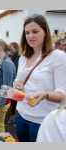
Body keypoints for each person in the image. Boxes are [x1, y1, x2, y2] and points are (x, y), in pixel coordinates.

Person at [13, 14, 66, 142]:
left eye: (35, 31)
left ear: (45, 32)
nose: (30, 36)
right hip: (20, 114)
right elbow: (19, 82)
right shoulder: (23, 57)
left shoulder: (58, 57)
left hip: (42, 120)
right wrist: (17, 86)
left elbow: (63, 95)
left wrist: (45, 94)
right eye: (27, 33)